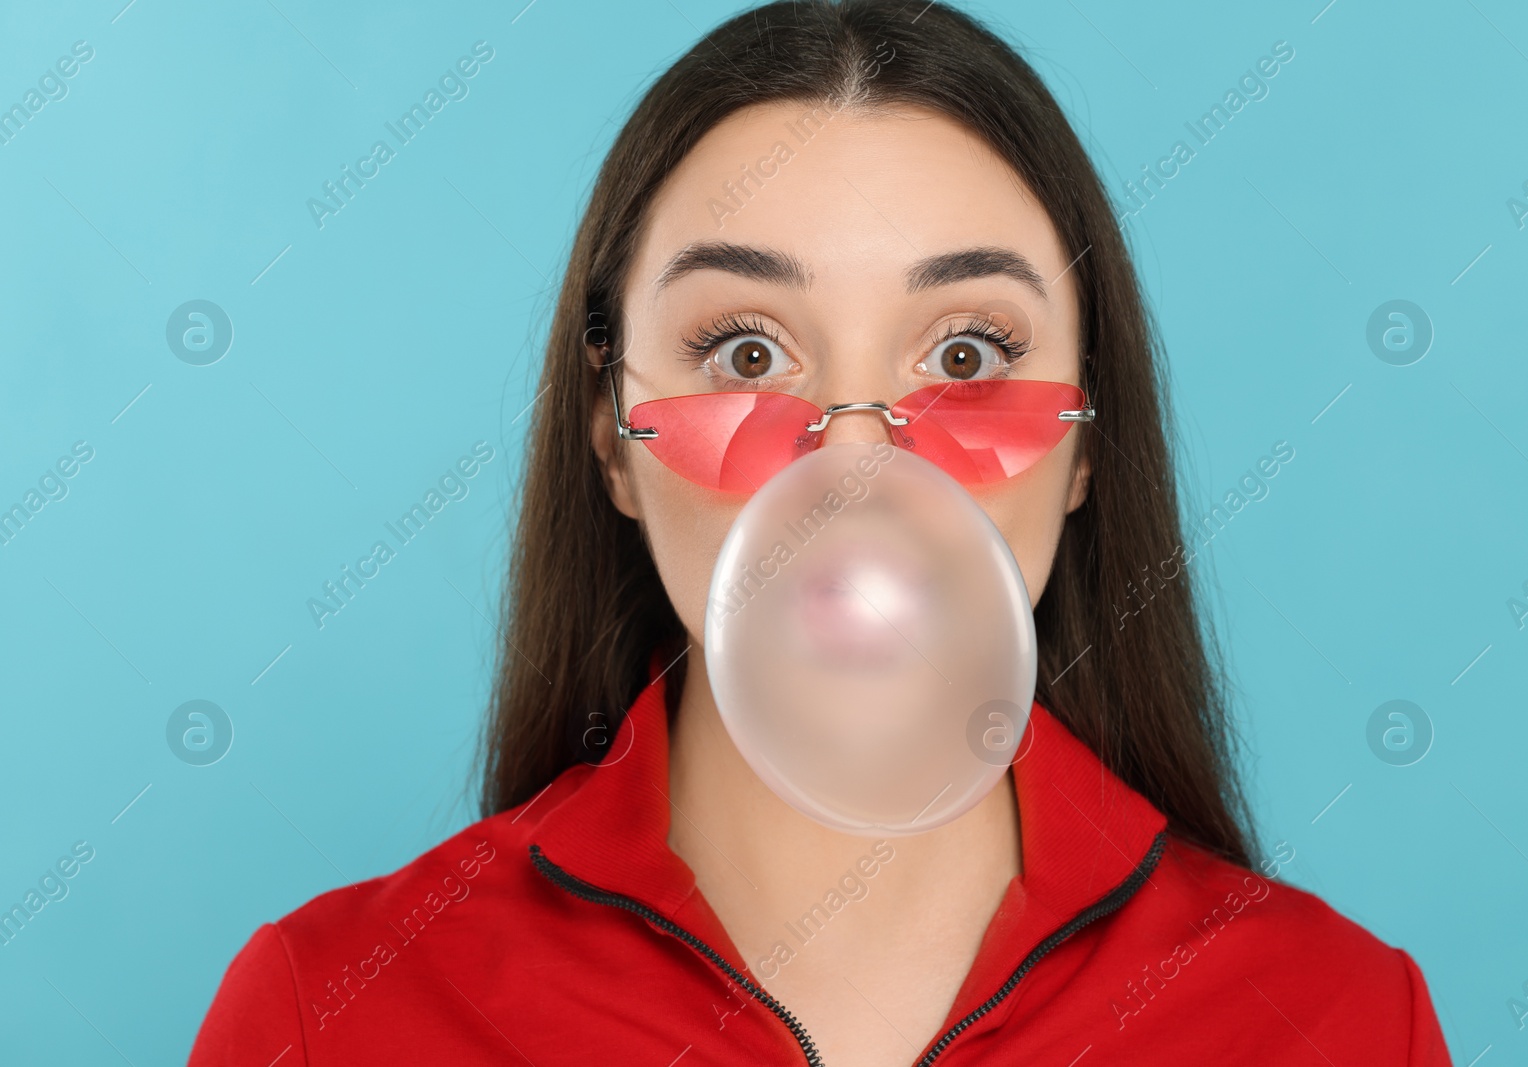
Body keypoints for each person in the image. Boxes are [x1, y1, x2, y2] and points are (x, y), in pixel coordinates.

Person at [189, 2, 1453, 1063]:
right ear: (611, 435)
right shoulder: (331, 1009)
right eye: (745, 351)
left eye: (967, 352)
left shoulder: (1339, 1017)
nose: (856, 463)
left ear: (1081, 448)